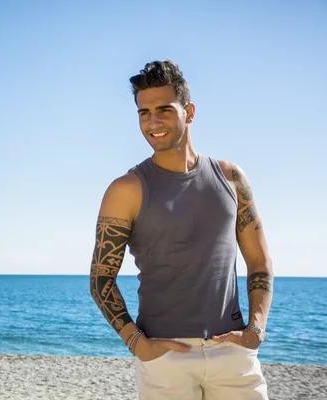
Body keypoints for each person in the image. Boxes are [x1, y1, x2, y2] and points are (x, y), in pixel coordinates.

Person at [89, 60, 274, 400]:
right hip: (165, 358)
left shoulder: (231, 178)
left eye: (164, 110)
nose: (153, 122)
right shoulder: (126, 190)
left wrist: (256, 330)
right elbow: (101, 279)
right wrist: (136, 343)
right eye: (144, 113)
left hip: (232, 352)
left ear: (189, 111)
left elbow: (259, 263)